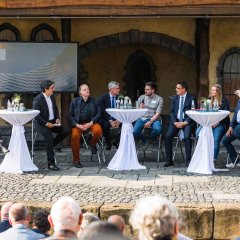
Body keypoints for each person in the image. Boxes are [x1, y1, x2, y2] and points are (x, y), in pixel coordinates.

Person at [33, 80, 68, 171]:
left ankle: (50, 146)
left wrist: (57, 118)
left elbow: (55, 109)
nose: (54, 89)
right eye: (52, 88)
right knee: (49, 138)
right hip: (41, 123)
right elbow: (36, 115)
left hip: (52, 121)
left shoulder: (52, 97)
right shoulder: (37, 99)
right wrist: (46, 123)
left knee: (65, 131)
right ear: (46, 89)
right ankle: (51, 164)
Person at [69, 84, 103, 168]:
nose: (87, 90)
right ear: (80, 92)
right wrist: (77, 125)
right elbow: (70, 116)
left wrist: (90, 123)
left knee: (98, 131)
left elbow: (99, 113)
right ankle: (76, 160)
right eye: (84, 89)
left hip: (91, 123)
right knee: (75, 136)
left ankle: (92, 143)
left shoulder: (94, 101)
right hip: (78, 124)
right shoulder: (75, 101)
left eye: (88, 89)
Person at [164, 81, 196, 167]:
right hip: (176, 122)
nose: (176, 89)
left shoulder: (191, 98)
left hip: (187, 122)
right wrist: (175, 122)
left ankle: (188, 161)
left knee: (187, 137)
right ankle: (169, 161)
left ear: (184, 89)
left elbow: (194, 112)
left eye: (178, 88)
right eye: (176, 88)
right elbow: (171, 112)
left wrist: (185, 122)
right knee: (168, 136)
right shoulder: (174, 98)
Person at [196, 84, 230, 161]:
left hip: (220, 123)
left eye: (213, 90)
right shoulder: (208, 100)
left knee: (215, 139)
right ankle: (203, 155)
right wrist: (203, 107)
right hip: (208, 123)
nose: (211, 91)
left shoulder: (225, 101)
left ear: (218, 91)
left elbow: (225, 115)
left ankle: (213, 159)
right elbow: (205, 112)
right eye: (211, 90)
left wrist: (216, 123)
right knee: (198, 133)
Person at [133, 82, 163, 146]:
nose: (145, 91)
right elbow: (136, 111)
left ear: (153, 90)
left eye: (147, 89)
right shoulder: (141, 97)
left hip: (154, 119)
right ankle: (144, 140)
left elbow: (158, 113)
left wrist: (150, 121)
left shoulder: (159, 99)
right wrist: (140, 108)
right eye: (145, 89)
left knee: (158, 129)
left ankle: (150, 138)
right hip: (142, 118)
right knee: (135, 131)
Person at [98, 81, 121, 150]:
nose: (119, 90)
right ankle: (108, 142)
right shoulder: (103, 97)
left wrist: (119, 120)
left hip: (118, 118)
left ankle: (117, 141)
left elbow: (122, 109)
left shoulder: (120, 97)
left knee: (126, 124)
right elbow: (102, 111)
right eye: (117, 88)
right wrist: (110, 121)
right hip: (106, 118)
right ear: (110, 89)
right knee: (105, 125)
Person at [222, 91, 240, 168]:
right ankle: (236, 161)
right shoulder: (239, 101)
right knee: (225, 140)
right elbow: (236, 114)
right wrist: (231, 127)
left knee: (236, 133)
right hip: (237, 125)